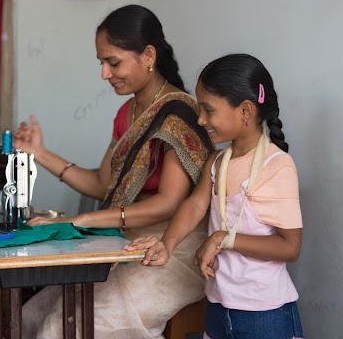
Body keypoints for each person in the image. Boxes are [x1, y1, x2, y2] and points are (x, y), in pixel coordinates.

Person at [14, 4, 214, 339]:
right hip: (125, 242)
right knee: (28, 317)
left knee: (60, 329)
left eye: (113, 62)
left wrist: (81, 220)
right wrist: (40, 153)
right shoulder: (128, 112)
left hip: (173, 248)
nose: (105, 74)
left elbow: (169, 203)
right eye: (101, 63)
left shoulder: (178, 114)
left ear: (148, 55)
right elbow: (101, 184)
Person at [126, 53, 304, 339]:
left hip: (264, 313)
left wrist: (223, 238)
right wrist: (167, 244)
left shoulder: (277, 166)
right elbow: (195, 204)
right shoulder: (218, 161)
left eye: (208, 110)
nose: (200, 119)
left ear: (245, 111)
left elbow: (290, 247)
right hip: (220, 305)